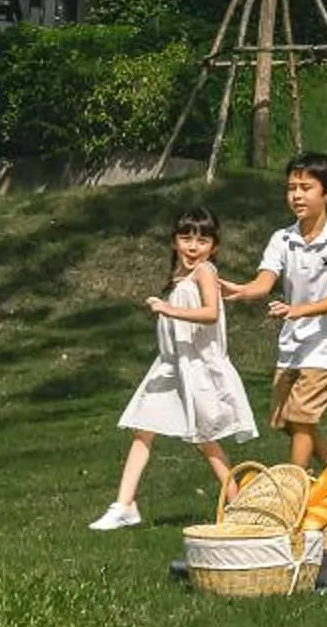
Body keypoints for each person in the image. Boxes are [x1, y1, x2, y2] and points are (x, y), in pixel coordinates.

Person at [89, 206, 257, 530]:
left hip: (197, 370)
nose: (193, 247)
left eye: (202, 240)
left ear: (214, 246)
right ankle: (125, 504)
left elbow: (210, 313)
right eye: (186, 238)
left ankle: (237, 504)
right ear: (174, 242)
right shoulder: (179, 277)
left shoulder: (205, 272)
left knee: (204, 439)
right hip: (170, 366)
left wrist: (168, 309)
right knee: (142, 429)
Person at [223, 150, 327, 474]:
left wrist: (300, 310)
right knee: (283, 419)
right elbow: (264, 280)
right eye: (291, 188)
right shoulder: (282, 238)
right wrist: (243, 290)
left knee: (301, 418)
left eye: (305, 188)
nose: (296, 195)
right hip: (294, 341)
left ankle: (294, 486)